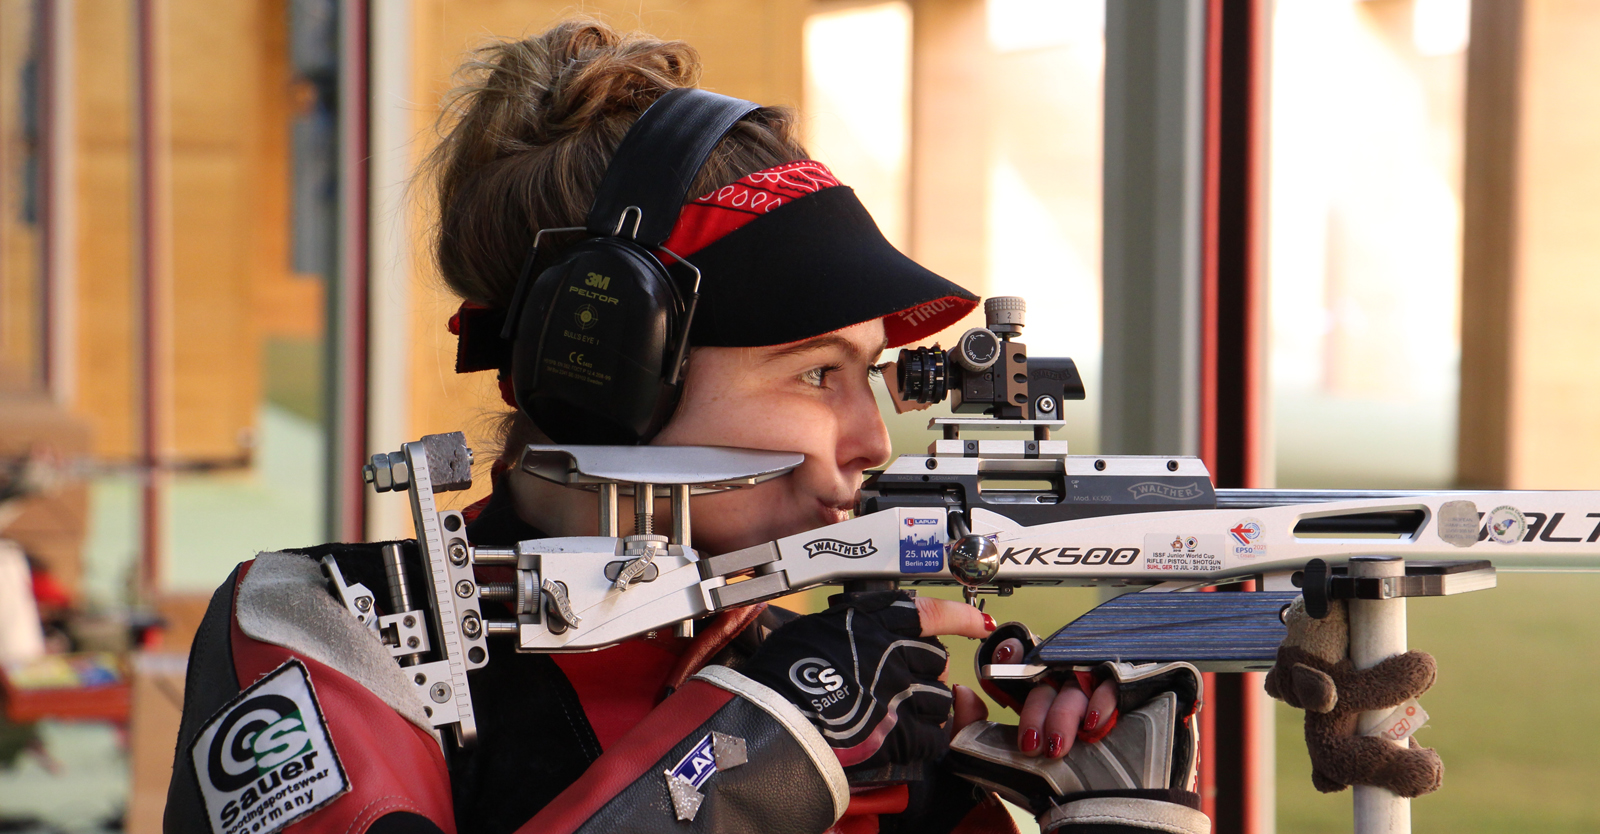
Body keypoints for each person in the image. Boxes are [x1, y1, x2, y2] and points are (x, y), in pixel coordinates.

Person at [163, 19, 1208, 834]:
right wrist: (760, 750)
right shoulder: (325, 627)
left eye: (872, 376)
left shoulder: (828, 683)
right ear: (606, 377)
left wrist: (1117, 805)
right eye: (816, 373)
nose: (871, 440)